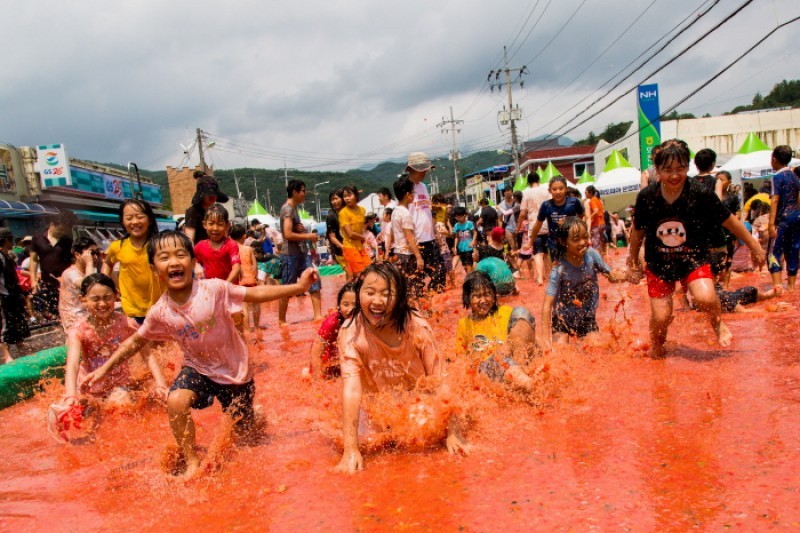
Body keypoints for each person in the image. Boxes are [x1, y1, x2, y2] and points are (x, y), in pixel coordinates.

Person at [84, 231, 319, 478]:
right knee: (175, 400)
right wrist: (104, 369)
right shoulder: (160, 312)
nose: (174, 262)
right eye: (164, 257)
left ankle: (254, 416)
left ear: (193, 262)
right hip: (198, 369)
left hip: (235, 372)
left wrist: (299, 287)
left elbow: (255, 294)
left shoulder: (214, 289)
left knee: (247, 439)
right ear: (155, 269)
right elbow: (135, 342)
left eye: (180, 255)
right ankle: (191, 461)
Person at [627, 139, 765, 359]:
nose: (674, 175)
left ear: (688, 168)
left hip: (693, 257)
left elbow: (729, 221)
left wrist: (754, 245)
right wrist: (632, 260)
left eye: (680, 169)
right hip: (658, 261)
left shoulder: (700, 193)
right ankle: (658, 345)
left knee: (706, 298)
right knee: (662, 317)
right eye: (668, 170)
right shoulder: (647, 197)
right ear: (657, 169)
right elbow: (637, 232)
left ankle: (718, 324)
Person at [335, 263, 468, 473]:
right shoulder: (350, 333)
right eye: (370, 292)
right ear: (359, 292)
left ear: (399, 299)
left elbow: (440, 378)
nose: (377, 301)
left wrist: (454, 432)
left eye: (386, 294)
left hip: (417, 401)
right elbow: (351, 389)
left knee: (421, 437)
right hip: (378, 408)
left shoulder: (415, 325)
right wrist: (350, 449)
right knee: (367, 442)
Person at [62, 273, 167, 411]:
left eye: (107, 298)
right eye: (95, 299)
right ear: (83, 300)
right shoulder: (79, 330)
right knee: (75, 411)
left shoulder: (126, 323)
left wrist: (161, 384)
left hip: (118, 383)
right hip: (89, 384)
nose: (102, 304)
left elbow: (148, 355)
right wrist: (71, 395)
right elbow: (73, 365)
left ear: (116, 296)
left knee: (122, 405)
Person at [541, 217, 627, 348]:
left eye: (585, 237)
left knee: (596, 350)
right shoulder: (559, 269)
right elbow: (547, 305)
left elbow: (611, 276)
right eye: (576, 239)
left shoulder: (592, 256)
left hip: (587, 318)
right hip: (562, 320)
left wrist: (629, 275)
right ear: (564, 242)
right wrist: (546, 339)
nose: (583, 243)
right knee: (560, 351)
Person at [457, 271, 539, 391]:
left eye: (488, 294)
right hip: (489, 369)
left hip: (514, 363)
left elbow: (526, 336)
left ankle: (525, 377)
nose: (484, 300)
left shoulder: (506, 312)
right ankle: (529, 384)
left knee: (522, 313)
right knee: (499, 359)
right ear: (467, 298)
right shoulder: (464, 324)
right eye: (477, 296)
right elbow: (461, 360)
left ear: (494, 295)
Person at [102, 199, 163, 324]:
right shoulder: (118, 247)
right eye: (129, 218)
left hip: (161, 306)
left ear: (150, 219)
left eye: (140, 217)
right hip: (133, 310)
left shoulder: (161, 244)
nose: (135, 222)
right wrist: (104, 285)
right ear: (123, 221)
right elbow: (107, 263)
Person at [278, 179, 322, 324]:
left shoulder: (293, 208)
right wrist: (308, 235)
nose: (305, 193)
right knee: (287, 288)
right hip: (290, 254)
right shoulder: (288, 209)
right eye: (303, 191)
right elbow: (288, 234)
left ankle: (317, 316)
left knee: (314, 279)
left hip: (301, 252)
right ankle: (281, 320)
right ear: (295, 192)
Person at [405, 152, 446, 294]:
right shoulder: (405, 187)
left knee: (440, 274)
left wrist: (436, 232)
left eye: (425, 168)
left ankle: (436, 307)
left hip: (430, 239)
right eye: (421, 169)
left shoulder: (423, 186)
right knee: (416, 281)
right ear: (411, 168)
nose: (425, 172)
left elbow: (426, 211)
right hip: (416, 242)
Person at [29, 210, 76, 321]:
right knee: (50, 311)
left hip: (64, 282)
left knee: (67, 311)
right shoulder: (38, 238)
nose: (63, 231)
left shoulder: (67, 241)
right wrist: (33, 280)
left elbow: (73, 261)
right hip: (47, 281)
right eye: (60, 229)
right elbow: (34, 260)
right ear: (52, 224)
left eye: (64, 229)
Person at [528, 176, 585, 262]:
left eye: (561, 189)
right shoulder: (546, 206)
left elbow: (582, 216)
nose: (558, 192)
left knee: (575, 264)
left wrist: (582, 234)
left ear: (566, 189)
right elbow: (538, 224)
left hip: (572, 241)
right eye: (554, 189)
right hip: (554, 243)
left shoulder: (574, 202)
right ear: (549, 191)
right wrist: (531, 242)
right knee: (559, 267)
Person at [767, 145, 800, 291]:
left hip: (782, 219)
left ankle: (777, 287)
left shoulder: (777, 178)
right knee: (793, 250)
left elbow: (774, 200)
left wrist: (771, 223)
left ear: (774, 159)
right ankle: (792, 287)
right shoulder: (795, 177)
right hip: (797, 217)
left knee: (774, 251)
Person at [309, 282, 357, 379]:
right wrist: (317, 378)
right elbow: (317, 349)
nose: (350, 309)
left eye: (355, 305)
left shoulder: (365, 320)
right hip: (330, 355)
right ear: (338, 306)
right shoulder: (332, 322)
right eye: (346, 304)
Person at [390, 176, 425, 298]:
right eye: (413, 192)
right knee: (414, 291)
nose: (414, 195)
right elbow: (409, 237)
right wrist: (419, 257)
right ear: (408, 195)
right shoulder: (405, 213)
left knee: (402, 290)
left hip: (398, 254)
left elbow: (392, 234)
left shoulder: (395, 211)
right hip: (407, 256)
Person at [517, 171, 552, 286]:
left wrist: (518, 228)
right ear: (538, 180)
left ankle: (540, 278)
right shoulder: (546, 190)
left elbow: (522, 214)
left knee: (538, 252)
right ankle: (549, 275)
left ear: (528, 182)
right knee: (548, 253)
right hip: (548, 224)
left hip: (534, 225)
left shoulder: (526, 193)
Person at [0, 228, 30, 358]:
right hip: (3, 297)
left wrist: (19, 293)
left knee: (16, 322)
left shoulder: (7, 255)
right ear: (6, 240)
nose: (13, 242)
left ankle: (21, 348)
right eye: (11, 239)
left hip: (12, 295)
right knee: (4, 325)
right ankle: (6, 355)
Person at [59, 237, 99, 333]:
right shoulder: (70, 273)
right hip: (73, 320)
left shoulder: (90, 271)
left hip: (87, 316)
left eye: (96, 253)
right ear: (77, 254)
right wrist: (89, 263)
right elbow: (88, 286)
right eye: (91, 253)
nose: (95, 257)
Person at [194, 204, 241, 283]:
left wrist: (224, 286)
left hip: (229, 290)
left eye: (220, 224)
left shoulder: (231, 245)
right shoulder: (200, 245)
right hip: (210, 290)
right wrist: (196, 265)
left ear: (227, 225)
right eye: (211, 223)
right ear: (205, 225)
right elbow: (189, 258)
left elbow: (236, 268)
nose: (215, 228)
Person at [183, 172, 230, 244]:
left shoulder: (219, 210)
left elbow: (225, 236)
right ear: (201, 194)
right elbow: (190, 240)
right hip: (200, 252)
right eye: (208, 194)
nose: (212, 196)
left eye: (214, 193)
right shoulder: (193, 211)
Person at [231, 224, 260, 331]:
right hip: (250, 278)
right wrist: (255, 276)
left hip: (239, 281)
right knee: (255, 303)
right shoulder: (248, 249)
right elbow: (254, 265)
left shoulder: (231, 249)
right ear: (244, 236)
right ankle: (256, 327)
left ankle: (247, 329)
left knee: (244, 306)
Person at [339, 184, 371, 276]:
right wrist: (363, 237)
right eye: (345, 196)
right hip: (350, 247)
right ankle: (356, 290)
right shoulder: (343, 213)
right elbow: (350, 234)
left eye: (349, 195)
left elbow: (362, 227)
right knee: (359, 275)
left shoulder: (362, 210)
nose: (347, 198)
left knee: (370, 270)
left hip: (360, 246)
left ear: (356, 196)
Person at [326, 189, 349, 279]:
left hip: (353, 248)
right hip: (341, 251)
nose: (334, 202)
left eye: (336, 198)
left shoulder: (348, 212)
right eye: (332, 199)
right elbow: (332, 237)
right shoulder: (331, 216)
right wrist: (343, 247)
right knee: (350, 274)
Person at [585, 185, 607, 258]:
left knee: (595, 245)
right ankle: (601, 260)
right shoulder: (598, 200)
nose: (585, 193)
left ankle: (597, 264)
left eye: (586, 192)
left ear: (590, 192)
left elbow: (596, 211)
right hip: (602, 224)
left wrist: (589, 218)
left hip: (596, 225)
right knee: (599, 243)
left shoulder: (592, 200)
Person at [452, 206, 476, 273]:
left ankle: (470, 277)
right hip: (461, 248)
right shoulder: (456, 225)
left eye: (459, 216)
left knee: (469, 264)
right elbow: (456, 237)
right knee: (464, 265)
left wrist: (473, 241)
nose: (458, 218)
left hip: (469, 247)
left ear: (464, 215)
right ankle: (469, 275)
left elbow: (475, 233)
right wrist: (455, 247)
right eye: (456, 217)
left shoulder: (469, 224)